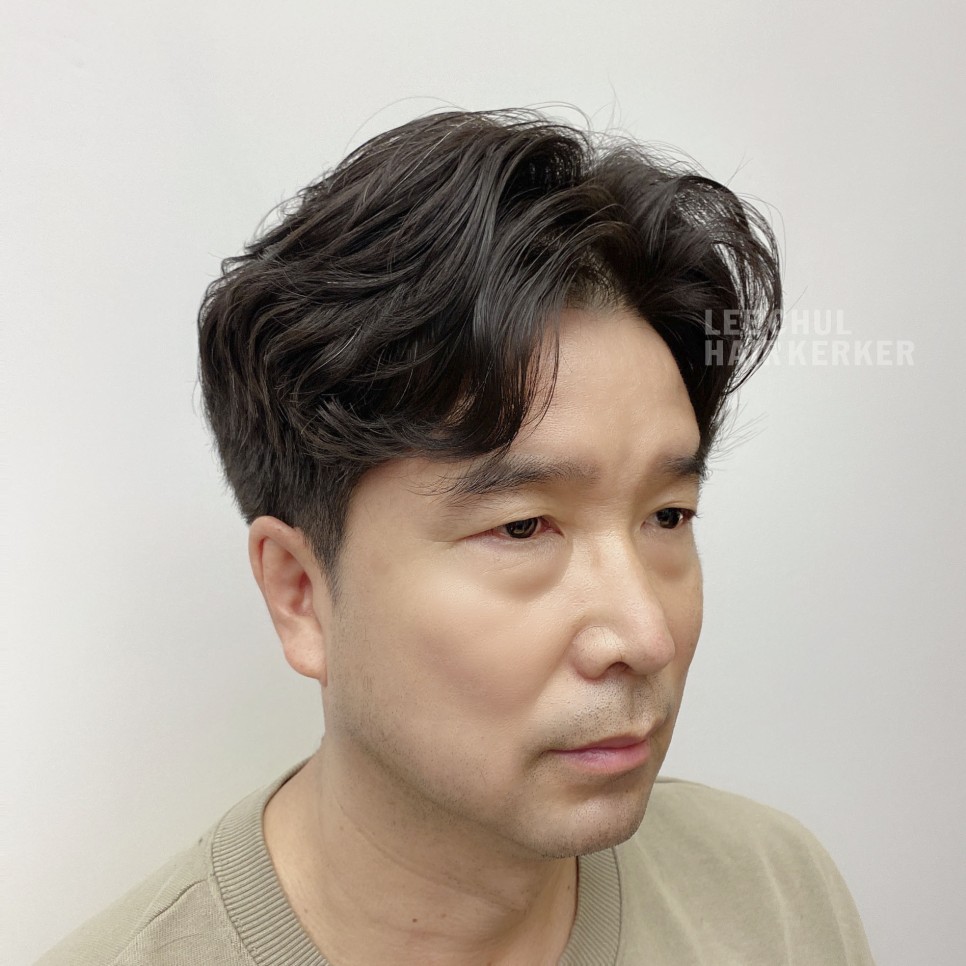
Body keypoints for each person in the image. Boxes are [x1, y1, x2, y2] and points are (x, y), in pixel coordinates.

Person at [39, 109, 874, 965]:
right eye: (523, 526)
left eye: (667, 516)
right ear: (300, 594)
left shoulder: (775, 896)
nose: (645, 635)